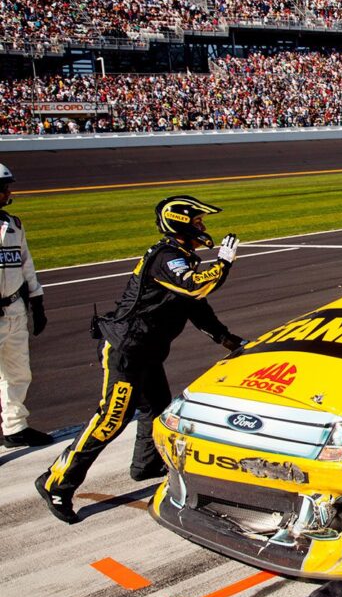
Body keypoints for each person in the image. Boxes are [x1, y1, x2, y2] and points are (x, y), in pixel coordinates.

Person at [36, 195, 245, 523]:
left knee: (157, 410)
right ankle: (56, 482)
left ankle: (146, 465)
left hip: (147, 351)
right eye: (198, 221)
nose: (203, 226)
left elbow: (194, 307)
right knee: (110, 421)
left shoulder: (181, 257)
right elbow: (194, 289)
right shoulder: (166, 258)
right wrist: (224, 262)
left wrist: (227, 340)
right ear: (180, 222)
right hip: (126, 351)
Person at [0, 163, 52, 448]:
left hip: (14, 310)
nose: (8, 192)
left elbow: (25, 264)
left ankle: (15, 428)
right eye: (3, 188)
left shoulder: (14, 225)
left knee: (18, 373)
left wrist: (37, 300)